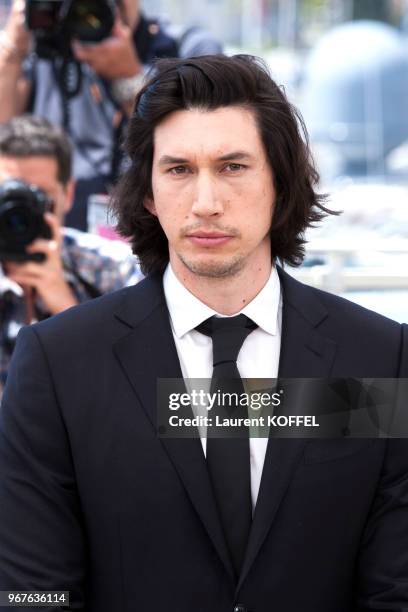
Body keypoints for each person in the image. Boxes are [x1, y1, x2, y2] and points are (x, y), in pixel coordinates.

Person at [0, 55, 407, 611]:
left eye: (233, 166)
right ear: (147, 192)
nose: (206, 203)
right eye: (179, 170)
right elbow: (33, 595)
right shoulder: (58, 364)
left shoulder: (379, 358)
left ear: (281, 183)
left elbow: (394, 589)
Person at [0, 0, 222, 230]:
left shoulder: (187, 49)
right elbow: (4, 133)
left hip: (155, 243)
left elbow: (201, 143)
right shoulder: (42, 51)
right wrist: (12, 49)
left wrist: (131, 80)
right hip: (49, 243)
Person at [0, 114, 142, 397]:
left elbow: (142, 383)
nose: (23, 216)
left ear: (68, 192)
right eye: (8, 198)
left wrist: (65, 304)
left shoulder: (111, 266)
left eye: (38, 199)